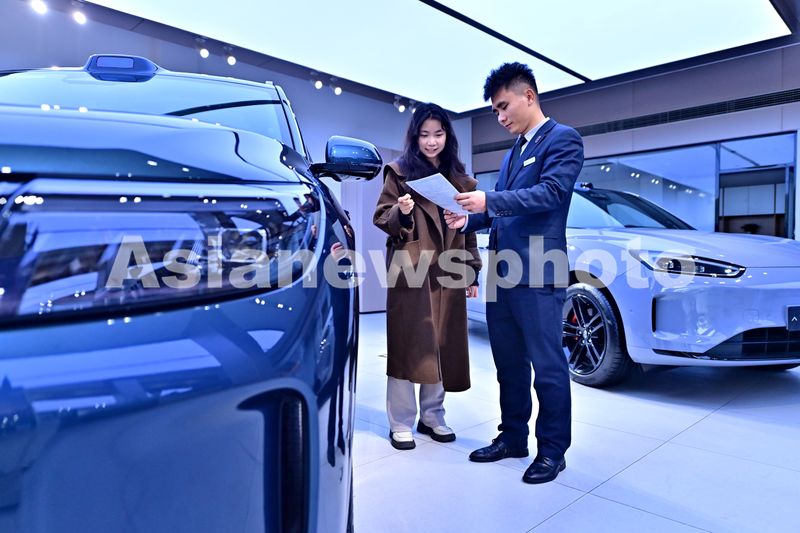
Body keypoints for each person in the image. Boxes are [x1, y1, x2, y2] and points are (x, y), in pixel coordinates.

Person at [445, 62, 584, 483]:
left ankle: (553, 451)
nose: (500, 117)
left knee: (548, 366)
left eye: (504, 106)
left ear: (529, 95)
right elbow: (502, 211)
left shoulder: (563, 139)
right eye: (495, 111)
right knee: (508, 364)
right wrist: (468, 220)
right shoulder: (512, 154)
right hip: (503, 273)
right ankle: (513, 437)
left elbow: (551, 194)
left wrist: (489, 200)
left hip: (540, 269)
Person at [373, 102, 482, 450]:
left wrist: (472, 271)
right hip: (411, 269)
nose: (431, 142)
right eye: (424, 135)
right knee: (407, 345)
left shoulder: (461, 178)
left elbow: (468, 229)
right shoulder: (399, 172)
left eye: (438, 134)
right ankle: (400, 421)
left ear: (447, 136)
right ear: (414, 137)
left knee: (441, 343)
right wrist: (401, 211)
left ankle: (433, 416)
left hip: (448, 268)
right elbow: (382, 217)